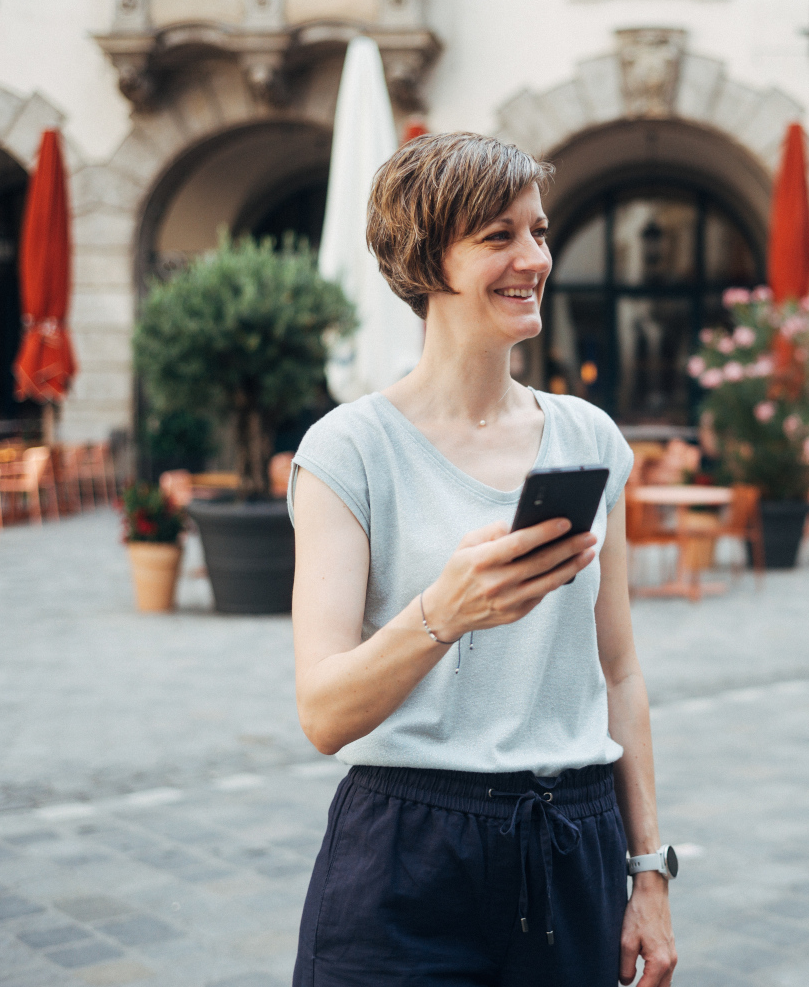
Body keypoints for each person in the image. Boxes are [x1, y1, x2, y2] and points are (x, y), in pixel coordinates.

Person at [287, 131, 677, 987]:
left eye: (537, 231)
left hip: (572, 843)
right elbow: (323, 713)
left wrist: (648, 872)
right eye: (498, 236)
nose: (533, 257)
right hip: (406, 851)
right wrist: (443, 613)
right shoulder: (348, 451)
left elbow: (619, 674)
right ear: (427, 260)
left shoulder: (591, 438)